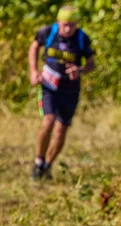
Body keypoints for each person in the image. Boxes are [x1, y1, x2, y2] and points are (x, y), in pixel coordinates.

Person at [28, 5, 95, 180]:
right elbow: (34, 47)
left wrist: (79, 70)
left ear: (77, 24)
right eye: (65, 24)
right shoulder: (48, 32)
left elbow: (91, 64)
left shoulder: (82, 39)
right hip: (49, 87)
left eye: (72, 25)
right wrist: (34, 71)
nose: (68, 29)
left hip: (70, 90)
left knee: (61, 130)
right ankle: (38, 161)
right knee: (48, 122)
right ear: (58, 22)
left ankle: (48, 166)